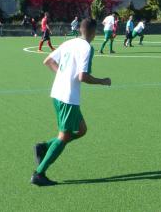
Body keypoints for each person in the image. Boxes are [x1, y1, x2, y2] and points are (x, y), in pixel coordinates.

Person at [30, 18, 111, 186]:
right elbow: (83, 77)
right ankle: (39, 173)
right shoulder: (87, 48)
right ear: (94, 32)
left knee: (81, 130)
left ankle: (44, 147)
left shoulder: (70, 42)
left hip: (58, 92)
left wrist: (63, 76)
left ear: (80, 30)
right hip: (68, 97)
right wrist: (102, 81)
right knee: (64, 136)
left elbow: (48, 61)